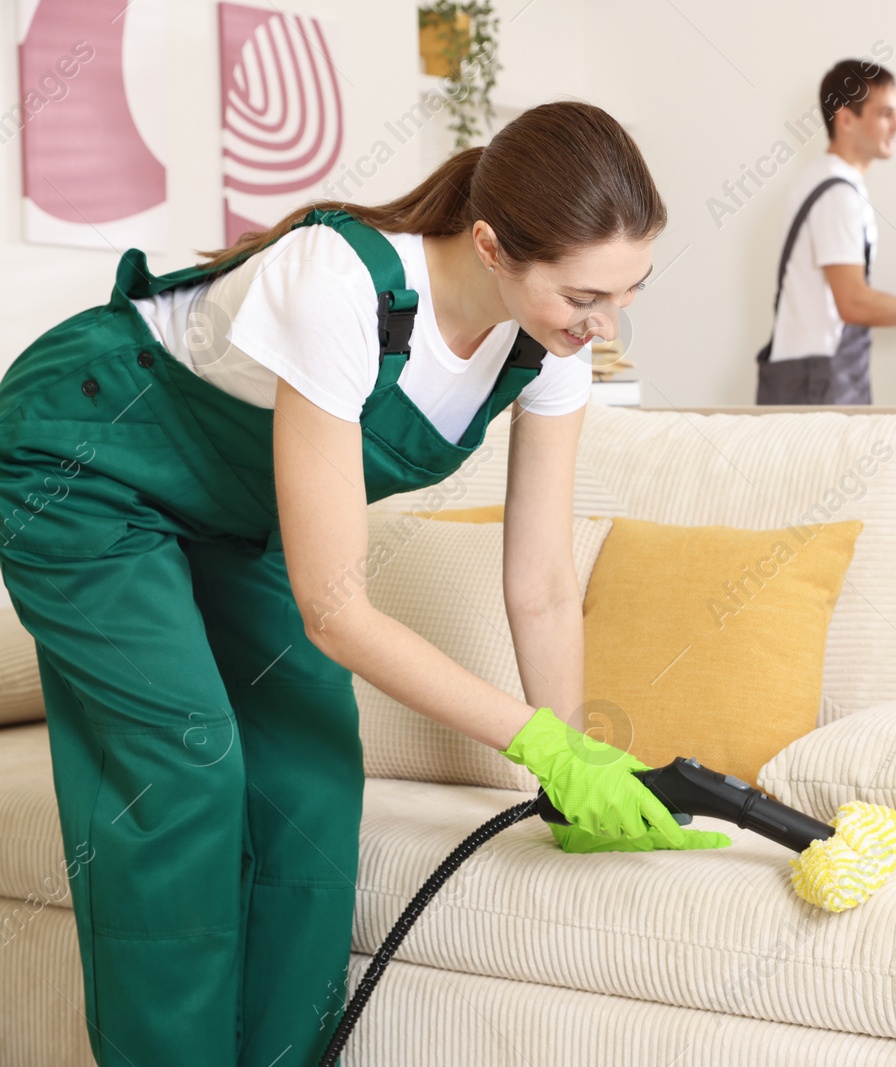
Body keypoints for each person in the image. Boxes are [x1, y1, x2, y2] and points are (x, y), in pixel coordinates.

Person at [0, 101, 729, 1067]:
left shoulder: (544, 345)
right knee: (188, 767)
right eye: (585, 295)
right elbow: (336, 612)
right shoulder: (342, 284)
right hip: (85, 463)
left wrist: (574, 775)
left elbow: (544, 580)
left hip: (233, 512)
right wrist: (535, 740)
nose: (605, 323)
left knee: (311, 774)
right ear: (490, 244)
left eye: (626, 292)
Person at [755, 58, 896, 404]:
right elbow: (853, 303)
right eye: (885, 114)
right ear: (847, 120)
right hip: (817, 382)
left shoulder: (826, 182)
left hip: (813, 376)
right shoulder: (836, 195)